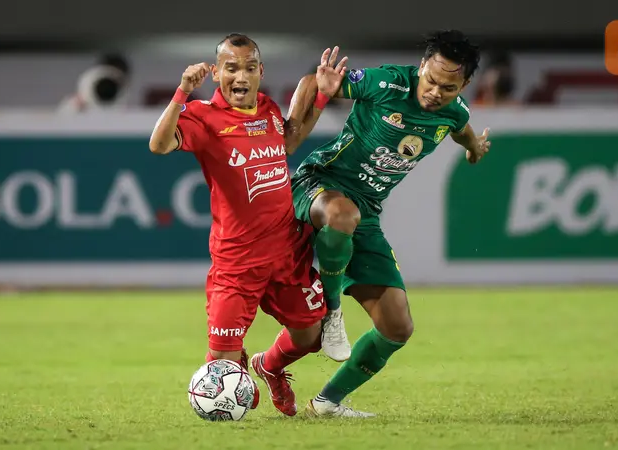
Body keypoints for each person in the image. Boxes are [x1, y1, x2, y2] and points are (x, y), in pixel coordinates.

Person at [287, 30, 492, 417]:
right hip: (319, 182)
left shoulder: (455, 112)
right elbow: (312, 82)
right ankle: (332, 313)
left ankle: (327, 402)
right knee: (341, 213)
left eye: (448, 87)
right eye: (431, 80)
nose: (435, 92)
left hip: (364, 213)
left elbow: (462, 131)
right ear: (421, 68)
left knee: (397, 327)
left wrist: (474, 149)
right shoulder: (388, 83)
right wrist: (302, 119)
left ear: (464, 85)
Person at [149, 33, 348, 417]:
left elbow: (290, 141)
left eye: (249, 67)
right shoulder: (202, 116)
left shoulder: (268, 109)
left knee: (310, 336)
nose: (241, 75)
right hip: (237, 262)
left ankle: (268, 366)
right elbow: (158, 145)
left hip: (287, 252)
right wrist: (181, 93)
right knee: (220, 370)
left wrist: (321, 97)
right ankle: (236, 365)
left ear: (260, 72)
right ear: (217, 72)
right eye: (231, 67)